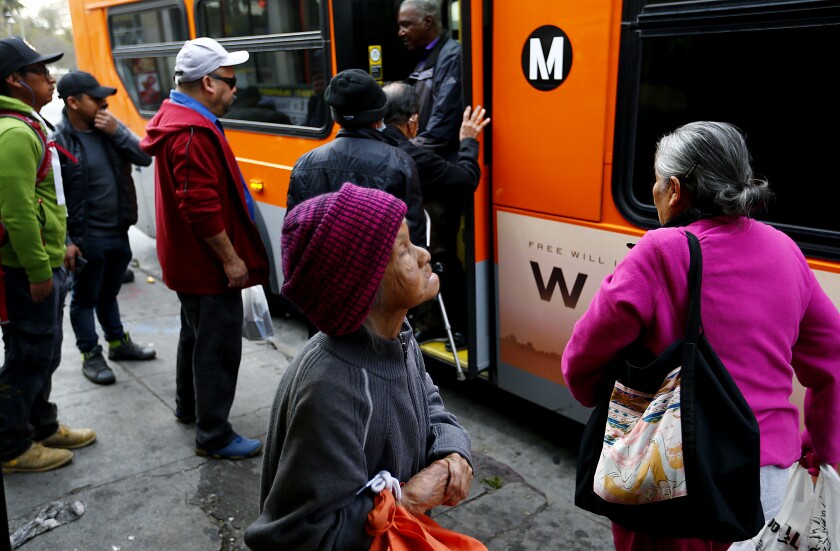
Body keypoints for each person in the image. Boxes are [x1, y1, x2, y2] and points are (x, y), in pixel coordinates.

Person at [560, 121, 840, 551]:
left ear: (674, 189)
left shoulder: (660, 251)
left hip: (678, 478)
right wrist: (820, 445)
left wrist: (597, 395)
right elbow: (832, 363)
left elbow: (580, 360)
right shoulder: (787, 250)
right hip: (768, 483)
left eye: (654, 181)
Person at [244, 183, 474, 549]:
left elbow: (429, 403)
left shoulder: (397, 335)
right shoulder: (332, 386)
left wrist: (452, 452)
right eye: (403, 251)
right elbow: (298, 535)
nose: (423, 254)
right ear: (365, 287)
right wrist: (405, 502)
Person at [140, 37, 270, 460]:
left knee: (193, 336)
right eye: (232, 82)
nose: (237, 90)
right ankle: (213, 435)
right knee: (216, 348)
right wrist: (231, 260)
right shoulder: (192, 132)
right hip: (206, 266)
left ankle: (189, 408)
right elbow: (199, 206)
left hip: (188, 263)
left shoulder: (179, 118)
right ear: (209, 83)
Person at [0, 36, 96, 474]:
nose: (50, 77)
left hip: (47, 260)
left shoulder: (29, 123)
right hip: (26, 270)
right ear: (15, 81)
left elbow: (47, 198)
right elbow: (18, 213)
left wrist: (62, 248)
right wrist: (40, 269)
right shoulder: (14, 133)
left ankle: (41, 424)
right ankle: (13, 445)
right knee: (29, 356)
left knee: (45, 352)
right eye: (40, 71)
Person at [54, 71, 156, 386]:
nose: (104, 102)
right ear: (73, 102)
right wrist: (67, 240)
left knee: (109, 293)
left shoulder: (109, 127)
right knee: (84, 299)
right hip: (86, 239)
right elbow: (51, 198)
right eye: (95, 98)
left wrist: (117, 132)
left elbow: (143, 155)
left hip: (118, 232)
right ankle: (91, 354)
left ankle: (117, 343)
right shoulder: (59, 140)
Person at [382, 81, 489, 346]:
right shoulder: (412, 156)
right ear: (413, 122)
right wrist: (468, 142)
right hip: (405, 255)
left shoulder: (368, 149)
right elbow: (466, 179)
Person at [286, 68, 425, 248]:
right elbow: (414, 239)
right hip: (382, 275)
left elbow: (293, 236)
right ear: (379, 115)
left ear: (335, 116)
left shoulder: (304, 164)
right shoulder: (399, 162)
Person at [398, 0, 463, 161]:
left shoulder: (452, 57)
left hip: (440, 161)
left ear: (427, 22)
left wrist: (403, 154)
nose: (401, 32)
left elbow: (441, 126)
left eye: (406, 25)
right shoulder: (425, 56)